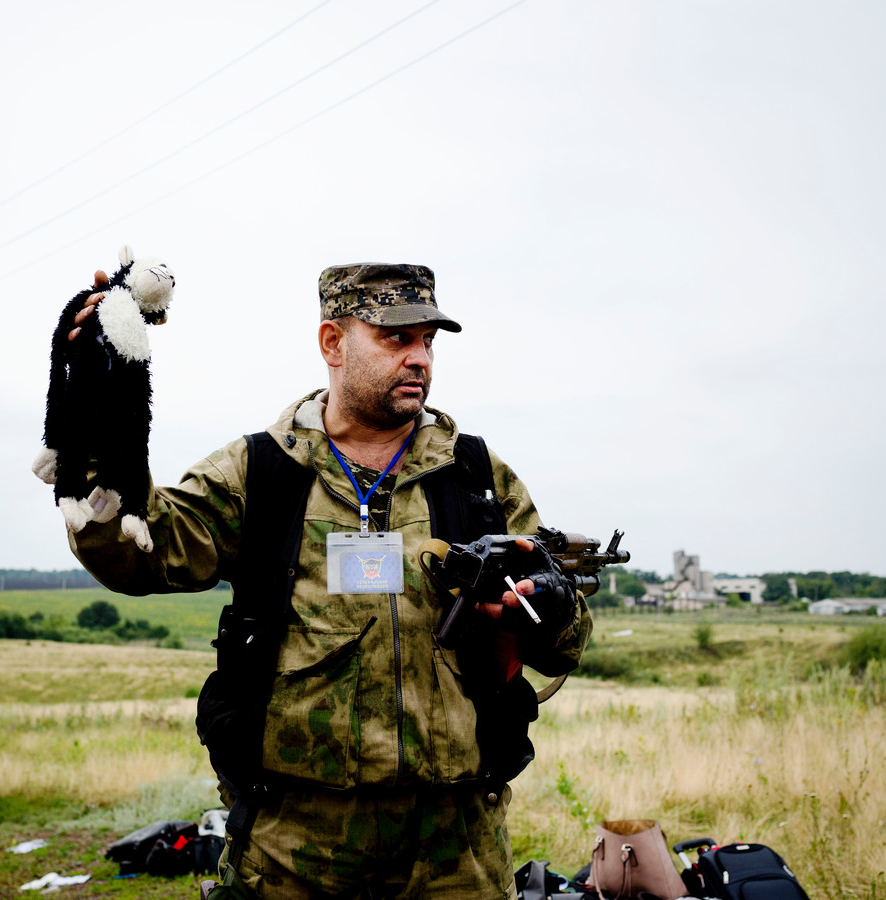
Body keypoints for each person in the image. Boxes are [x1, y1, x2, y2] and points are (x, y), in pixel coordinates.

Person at [61, 263, 593, 899]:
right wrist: (101, 411)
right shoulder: (261, 471)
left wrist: (557, 606)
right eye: (396, 339)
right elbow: (139, 553)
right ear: (333, 344)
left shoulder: (475, 475)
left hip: (456, 849)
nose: (419, 358)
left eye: (428, 340)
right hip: (294, 847)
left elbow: (562, 641)